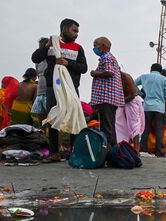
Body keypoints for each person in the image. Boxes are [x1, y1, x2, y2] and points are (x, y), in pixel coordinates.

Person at [31, 18, 88, 162]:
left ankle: (74, 151)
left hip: (71, 87)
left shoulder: (78, 48)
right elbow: (35, 58)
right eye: (74, 30)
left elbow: (84, 68)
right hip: (53, 86)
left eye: (77, 32)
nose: (76, 34)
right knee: (53, 118)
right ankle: (54, 153)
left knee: (73, 117)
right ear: (64, 29)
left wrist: (68, 63)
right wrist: (46, 46)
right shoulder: (51, 45)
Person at [89, 36, 124, 147]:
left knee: (106, 126)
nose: (94, 48)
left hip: (106, 98)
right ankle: (113, 150)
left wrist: (95, 73)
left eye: (96, 45)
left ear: (103, 46)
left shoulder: (107, 57)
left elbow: (109, 72)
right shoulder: (109, 57)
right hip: (110, 98)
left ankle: (107, 150)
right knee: (110, 125)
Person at [135, 63, 166, 157]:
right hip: (159, 108)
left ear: (151, 69)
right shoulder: (164, 79)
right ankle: (159, 152)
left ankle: (143, 150)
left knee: (145, 129)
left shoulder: (144, 77)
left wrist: (140, 94)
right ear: (160, 71)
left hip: (147, 107)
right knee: (159, 130)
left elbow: (132, 83)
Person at [115, 71, 145, 152]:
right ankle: (123, 147)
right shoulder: (114, 78)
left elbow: (132, 94)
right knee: (121, 125)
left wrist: (120, 102)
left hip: (132, 103)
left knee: (134, 126)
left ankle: (136, 150)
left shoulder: (126, 77)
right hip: (123, 103)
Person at [31, 38, 49, 128]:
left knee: (54, 121)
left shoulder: (52, 57)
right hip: (40, 92)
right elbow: (39, 75)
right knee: (42, 122)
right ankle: (44, 139)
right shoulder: (38, 60)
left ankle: (57, 142)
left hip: (49, 92)